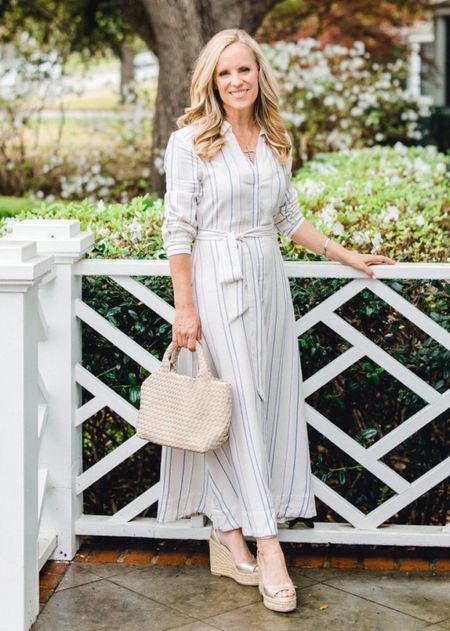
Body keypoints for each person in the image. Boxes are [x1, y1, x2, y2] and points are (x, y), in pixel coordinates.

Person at [156, 27, 396, 613]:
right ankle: (268, 548)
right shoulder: (189, 143)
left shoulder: (274, 137)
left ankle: (227, 531)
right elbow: (177, 231)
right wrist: (184, 307)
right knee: (232, 407)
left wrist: (346, 254)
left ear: (259, 74)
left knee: (261, 407)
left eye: (244, 70)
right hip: (216, 280)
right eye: (224, 73)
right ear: (211, 81)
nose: (236, 81)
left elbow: (289, 217)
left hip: (268, 281)